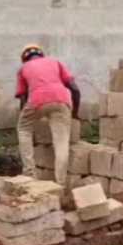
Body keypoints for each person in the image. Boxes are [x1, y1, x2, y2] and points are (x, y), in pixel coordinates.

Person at [15, 45, 80, 186]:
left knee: (23, 129)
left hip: (37, 100)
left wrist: (27, 116)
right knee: (61, 143)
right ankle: (60, 183)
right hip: (62, 100)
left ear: (25, 59)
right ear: (41, 55)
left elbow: (23, 98)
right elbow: (75, 88)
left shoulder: (23, 68)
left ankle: (30, 174)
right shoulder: (55, 62)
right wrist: (74, 114)